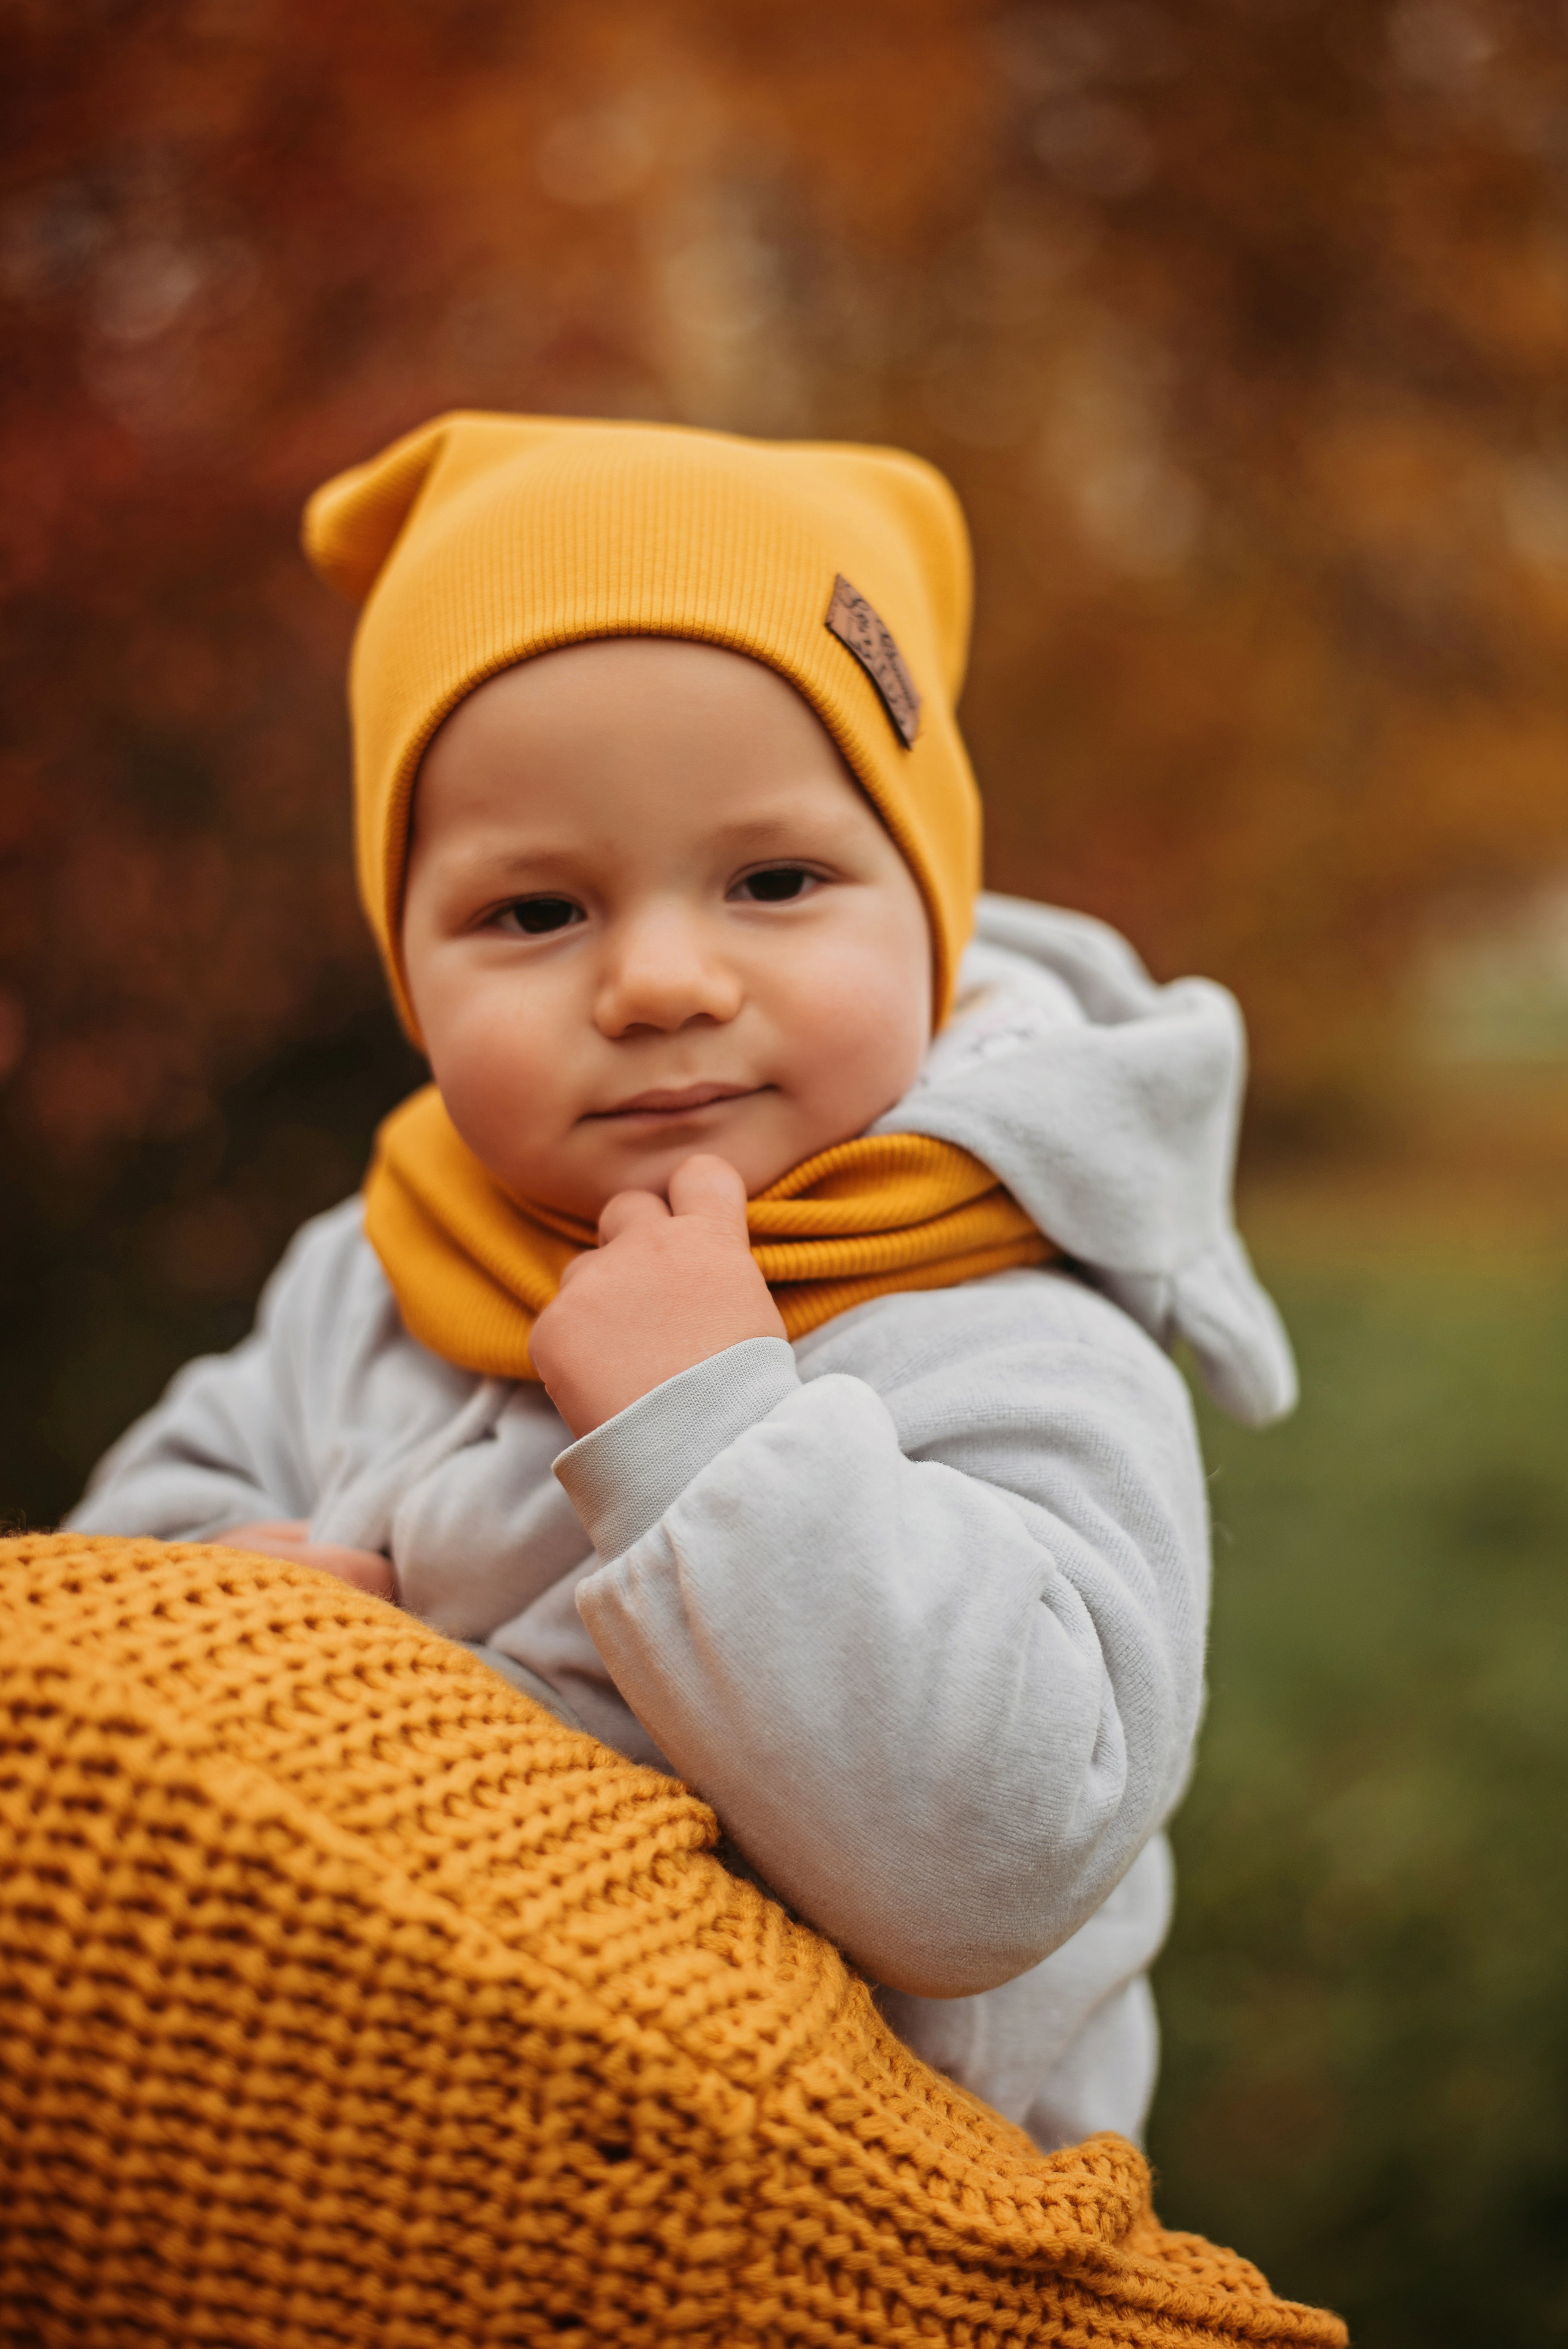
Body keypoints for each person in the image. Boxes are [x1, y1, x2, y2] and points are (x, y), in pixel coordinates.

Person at [67, 410, 1296, 2158]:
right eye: (534, 912)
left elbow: (1008, 1851)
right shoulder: (380, 1261)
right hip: (364, 2186)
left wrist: (708, 1436)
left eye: (774, 881)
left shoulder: (1008, 1314)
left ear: (931, 907)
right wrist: (213, 1607)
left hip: (833, 2228)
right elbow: (122, 1563)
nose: (658, 979)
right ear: (407, 966)